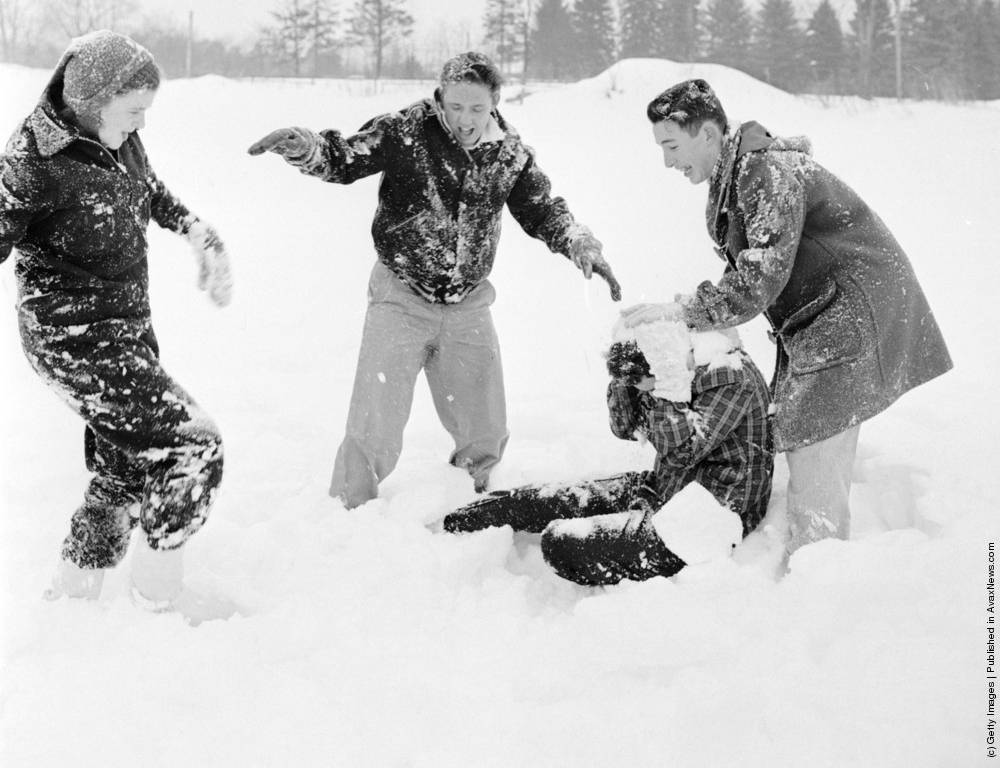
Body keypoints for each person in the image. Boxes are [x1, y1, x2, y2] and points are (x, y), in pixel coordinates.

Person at [248, 51, 621, 508]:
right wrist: (306, 147)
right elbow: (345, 158)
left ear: (495, 102)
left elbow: (541, 210)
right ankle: (349, 509)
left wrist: (579, 242)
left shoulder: (509, 153)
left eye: (477, 108)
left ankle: (472, 502)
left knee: (485, 427)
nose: (465, 119)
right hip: (400, 295)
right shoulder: (405, 131)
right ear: (440, 98)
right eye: (456, 106)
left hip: (468, 303)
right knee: (374, 421)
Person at [631, 77, 952, 555]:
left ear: (708, 133)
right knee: (804, 426)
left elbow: (761, 276)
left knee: (814, 434)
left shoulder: (764, 173)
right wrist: (695, 311)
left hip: (850, 312)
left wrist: (685, 312)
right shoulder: (737, 175)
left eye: (672, 145)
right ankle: (813, 557)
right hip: (824, 312)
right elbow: (749, 266)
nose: (667, 161)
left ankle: (819, 566)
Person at [0, 30, 233, 609]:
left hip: (126, 326)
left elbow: (147, 188)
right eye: (133, 112)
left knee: (125, 466)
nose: (141, 125)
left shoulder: (119, 139)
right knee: (192, 447)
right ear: (91, 101)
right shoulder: (33, 162)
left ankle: (73, 594)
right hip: (71, 338)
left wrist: (194, 229)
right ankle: (157, 601)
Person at [441, 312, 774, 586]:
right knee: (540, 500)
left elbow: (681, 452)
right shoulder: (663, 359)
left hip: (710, 516)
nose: (641, 390)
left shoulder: (729, 376)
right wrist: (625, 379)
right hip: (668, 486)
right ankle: (454, 526)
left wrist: (668, 386)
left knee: (563, 545)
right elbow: (625, 428)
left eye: (640, 382)